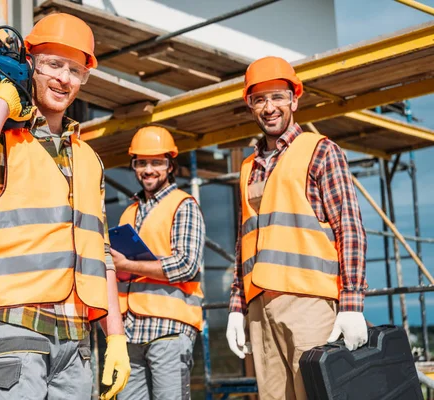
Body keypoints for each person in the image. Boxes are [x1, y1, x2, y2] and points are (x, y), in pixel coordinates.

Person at [0, 13, 129, 400]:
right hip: (12, 325)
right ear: (29, 66)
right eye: (53, 64)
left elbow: (100, 252)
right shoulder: (0, 137)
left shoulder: (88, 158)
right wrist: (2, 103)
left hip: (75, 339)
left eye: (75, 70)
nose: (64, 79)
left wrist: (117, 338)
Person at [226, 56, 368, 400]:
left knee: (318, 394)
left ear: (294, 98)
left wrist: (352, 303)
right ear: (250, 105)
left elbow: (349, 227)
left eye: (277, 97)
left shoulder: (320, 152)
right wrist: (235, 308)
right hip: (260, 309)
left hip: (309, 304)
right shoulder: (248, 166)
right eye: (259, 99)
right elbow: (246, 244)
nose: (269, 107)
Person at [110, 126, 206, 400]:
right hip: (130, 332)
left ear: (170, 165)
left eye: (156, 163)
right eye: (141, 163)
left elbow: (186, 265)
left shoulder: (183, 205)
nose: (148, 170)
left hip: (169, 329)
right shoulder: (130, 211)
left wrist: (128, 265)